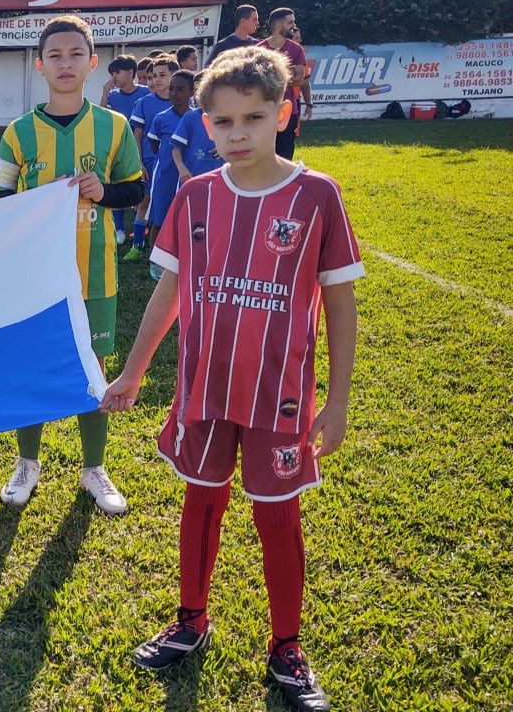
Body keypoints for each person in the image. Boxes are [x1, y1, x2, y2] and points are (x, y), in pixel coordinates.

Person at [102, 46, 363, 712]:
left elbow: (338, 300)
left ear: (284, 112)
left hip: (279, 397)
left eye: (253, 117)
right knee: (201, 502)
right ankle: (191, 619)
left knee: (279, 519)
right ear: (205, 123)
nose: (238, 134)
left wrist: (335, 403)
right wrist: (133, 372)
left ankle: (287, 648)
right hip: (204, 391)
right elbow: (167, 292)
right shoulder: (195, 196)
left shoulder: (315, 195)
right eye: (223, 122)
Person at [0, 16, 144, 514]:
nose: (66, 64)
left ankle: (93, 467)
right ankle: (27, 463)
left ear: (92, 62)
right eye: (55, 55)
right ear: (40, 65)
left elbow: (136, 189)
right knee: (32, 367)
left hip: (94, 276)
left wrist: (105, 193)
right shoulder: (18, 133)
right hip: (35, 279)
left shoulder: (114, 127)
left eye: (76, 54)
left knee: (93, 373)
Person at [144, 69, 195, 280]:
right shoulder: (161, 118)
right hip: (164, 175)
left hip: (187, 176)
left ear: (192, 92)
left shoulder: (197, 118)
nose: (174, 93)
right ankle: (155, 261)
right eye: (171, 88)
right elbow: (154, 145)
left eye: (180, 89)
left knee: (185, 220)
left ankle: (183, 260)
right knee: (159, 218)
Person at [125, 54, 176, 262]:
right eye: (153, 76)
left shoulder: (185, 102)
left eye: (162, 75)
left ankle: (171, 248)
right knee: (145, 201)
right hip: (149, 162)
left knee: (174, 204)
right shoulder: (144, 103)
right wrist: (139, 162)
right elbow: (136, 135)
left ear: (175, 75)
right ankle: (137, 245)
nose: (156, 80)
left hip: (174, 164)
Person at [101, 54, 149, 245]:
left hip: (141, 147)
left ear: (131, 73)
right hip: (117, 147)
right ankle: (119, 229)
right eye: (112, 73)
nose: (114, 77)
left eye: (117, 72)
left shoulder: (145, 94)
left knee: (142, 189)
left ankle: (142, 226)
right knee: (116, 184)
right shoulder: (112, 96)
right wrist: (105, 93)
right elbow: (102, 118)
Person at [258, 8, 307, 160]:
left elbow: (300, 79)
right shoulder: (259, 50)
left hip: (288, 110)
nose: (294, 25)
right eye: (290, 22)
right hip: (263, 111)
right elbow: (256, 81)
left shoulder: (296, 49)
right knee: (263, 155)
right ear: (278, 26)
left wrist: (272, 75)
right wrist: (288, 73)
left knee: (285, 157)